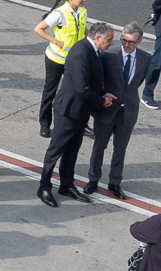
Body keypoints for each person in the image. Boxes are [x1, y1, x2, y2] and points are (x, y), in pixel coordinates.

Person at [38, 22, 116, 207]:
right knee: (56, 150)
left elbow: (91, 81)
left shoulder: (92, 50)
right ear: (98, 38)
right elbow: (82, 88)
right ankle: (44, 186)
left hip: (80, 110)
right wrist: (101, 100)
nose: (111, 43)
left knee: (72, 149)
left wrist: (102, 93)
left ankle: (66, 184)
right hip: (69, 109)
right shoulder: (82, 52)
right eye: (109, 39)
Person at [87, 23, 149, 197]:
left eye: (131, 42)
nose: (126, 45)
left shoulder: (145, 58)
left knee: (120, 148)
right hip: (107, 108)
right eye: (123, 40)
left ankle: (115, 182)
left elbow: (137, 82)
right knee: (99, 146)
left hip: (128, 110)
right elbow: (98, 79)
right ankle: (93, 179)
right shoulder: (108, 54)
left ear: (139, 41)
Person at [34, 0, 89, 137]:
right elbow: (39, 29)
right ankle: (45, 124)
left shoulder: (82, 11)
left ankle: (81, 123)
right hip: (56, 59)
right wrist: (56, 41)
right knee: (50, 91)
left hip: (75, 60)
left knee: (80, 91)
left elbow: (82, 27)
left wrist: (90, 38)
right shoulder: (59, 13)